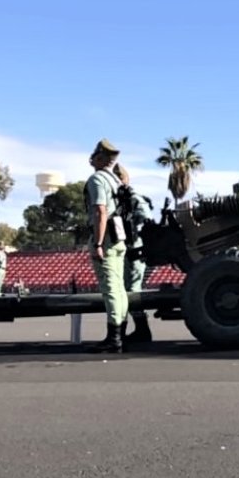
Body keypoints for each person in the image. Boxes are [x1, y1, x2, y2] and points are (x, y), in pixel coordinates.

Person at [84, 138, 129, 353]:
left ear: (101, 157)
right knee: (120, 289)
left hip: (108, 240)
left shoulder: (97, 180)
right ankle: (120, 332)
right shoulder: (117, 181)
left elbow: (100, 211)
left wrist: (99, 242)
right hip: (120, 239)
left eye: (95, 154)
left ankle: (114, 338)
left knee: (110, 289)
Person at [113, 163, 154, 344]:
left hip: (135, 250)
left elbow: (146, 220)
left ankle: (142, 330)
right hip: (124, 250)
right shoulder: (118, 201)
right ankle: (132, 330)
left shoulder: (134, 199)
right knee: (123, 291)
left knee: (132, 291)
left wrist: (133, 230)